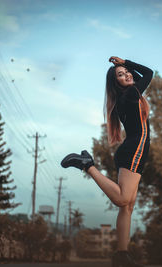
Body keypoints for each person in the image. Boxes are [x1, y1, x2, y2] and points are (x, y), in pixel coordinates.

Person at [61, 56, 153, 267]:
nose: (127, 75)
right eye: (121, 75)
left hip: (132, 151)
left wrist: (125, 68)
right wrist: (126, 62)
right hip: (134, 151)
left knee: (127, 207)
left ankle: (122, 255)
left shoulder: (129, 93)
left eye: (127, 73)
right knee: (123, 200)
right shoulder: (130, 94)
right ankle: (87, 165)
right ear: (116, 83)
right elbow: (148, 74)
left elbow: (139, 77)